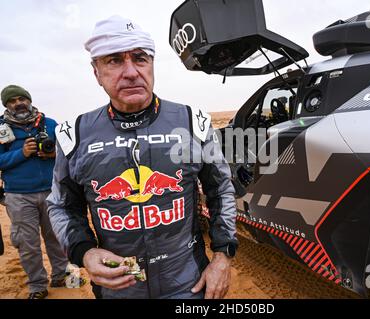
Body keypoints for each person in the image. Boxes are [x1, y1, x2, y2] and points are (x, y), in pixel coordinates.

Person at [48, 15, 238, 299]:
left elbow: (221, 189)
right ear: (96, 72)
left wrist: (223, 257)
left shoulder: (193, 123)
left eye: (140, 58)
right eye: (114, 60)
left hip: (188, 284)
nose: (131, 72)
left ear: (152, 65)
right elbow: (62, 206)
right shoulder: (74, 135)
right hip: (119, 288)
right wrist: (84, 252)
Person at [0, 85, 69, 299]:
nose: (18, 103)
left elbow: (67, 153)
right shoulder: (1, 129)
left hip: (52, 192)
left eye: (22, 98)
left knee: (56, 238)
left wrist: (53, 155)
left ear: (29, 100)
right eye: (12, 101)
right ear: (6, 105)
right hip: (19, 196)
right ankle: (37, 285)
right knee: (27, 243)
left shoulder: (49, 124)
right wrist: (22, 153)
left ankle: (61, 275)